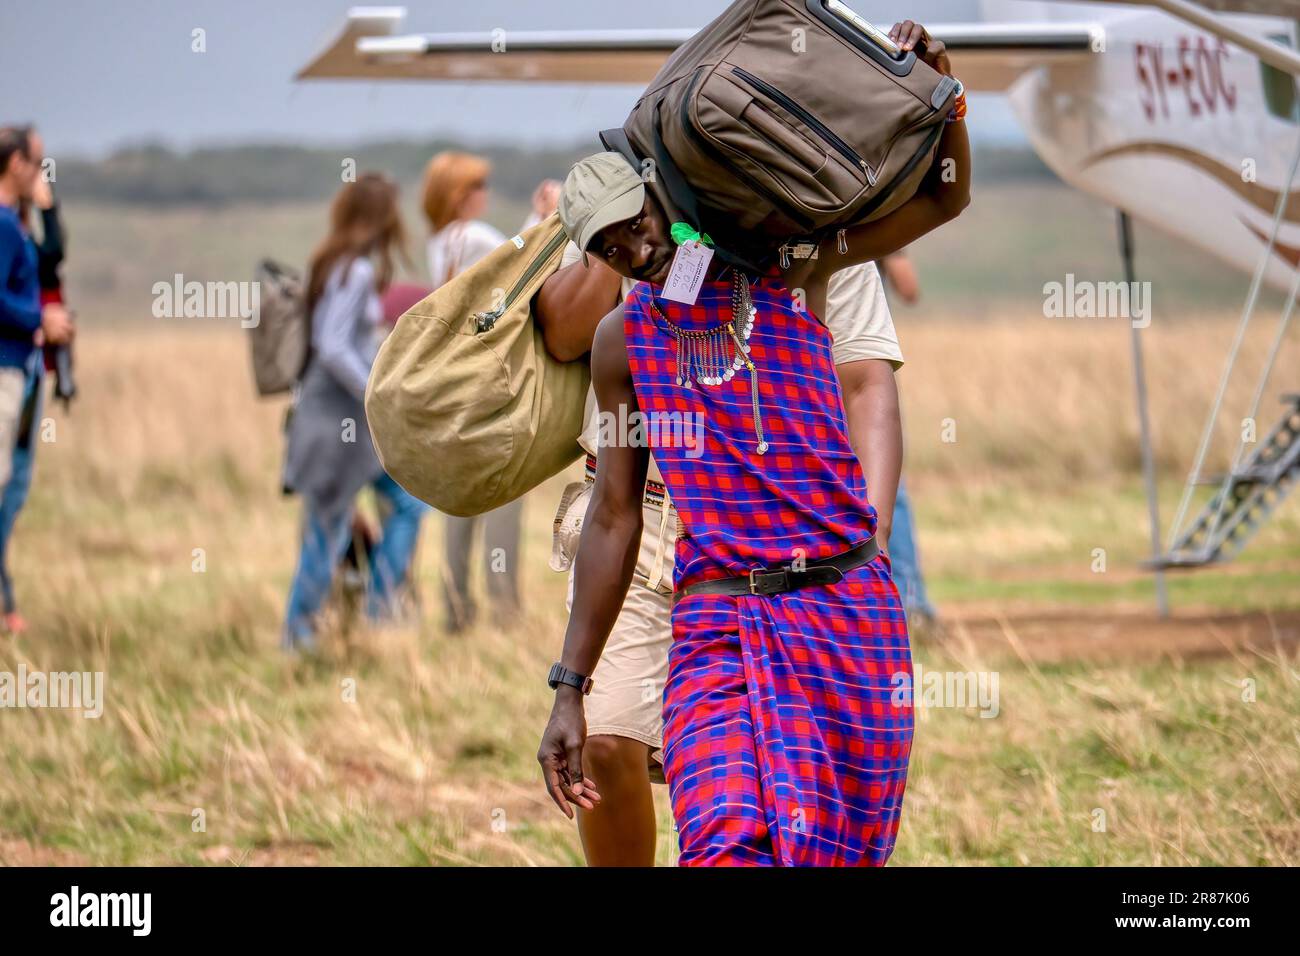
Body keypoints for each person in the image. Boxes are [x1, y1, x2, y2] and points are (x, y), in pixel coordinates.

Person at [537, 21, 968, 864]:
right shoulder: (623, 344)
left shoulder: (790, 269)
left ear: (667, 195)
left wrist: (942, 99)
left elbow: (944, 201)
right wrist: (569, 687)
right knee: (725, 837)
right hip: (718, 620)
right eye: (607, 247)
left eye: (634, 222)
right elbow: (615, 516)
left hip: (838, 612)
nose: (632, 247)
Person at [536, 213, 905, 867]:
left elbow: (866, 381)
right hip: (641, 519)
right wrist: (613, 241)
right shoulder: (620, 230)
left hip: (784, 543)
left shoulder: (812, 242)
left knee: (773, 792)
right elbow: (565, 333)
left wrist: (862, 546)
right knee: (609, 738)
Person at [281, 172, 429, 652]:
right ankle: (303, 637)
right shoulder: (356, 272)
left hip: (336, 428)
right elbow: (332, 345)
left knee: (397, 506)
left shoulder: (331, 264)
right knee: (328, 534)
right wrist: (376, 393)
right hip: (338, 429)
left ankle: (370, 613)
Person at [421, 152, 556, 631]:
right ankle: (505, 611)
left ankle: (456, 608)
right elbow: (518, 263)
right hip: (489, 389)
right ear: (460, 196)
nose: (484, 194)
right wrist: (546, 217)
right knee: (502, 493)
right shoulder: (473, 235)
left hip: (455, 390)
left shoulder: (441, 242)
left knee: (459, 498)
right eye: (477, 188)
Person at [0, 126, 74, 636]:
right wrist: (37, 321)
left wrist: (47, 211)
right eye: (37, 162)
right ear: (16, 164)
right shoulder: (4, 226)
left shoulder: (15, 224)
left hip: (21, 369)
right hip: (7, 366)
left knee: (13, 487)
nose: (42, 173)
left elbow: (52, 259)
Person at [877, 249, 938, 627]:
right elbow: (909, 288)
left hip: (803, 358)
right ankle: (909, 603)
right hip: (865, 364)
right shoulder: (867, 206)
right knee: (889, 487)